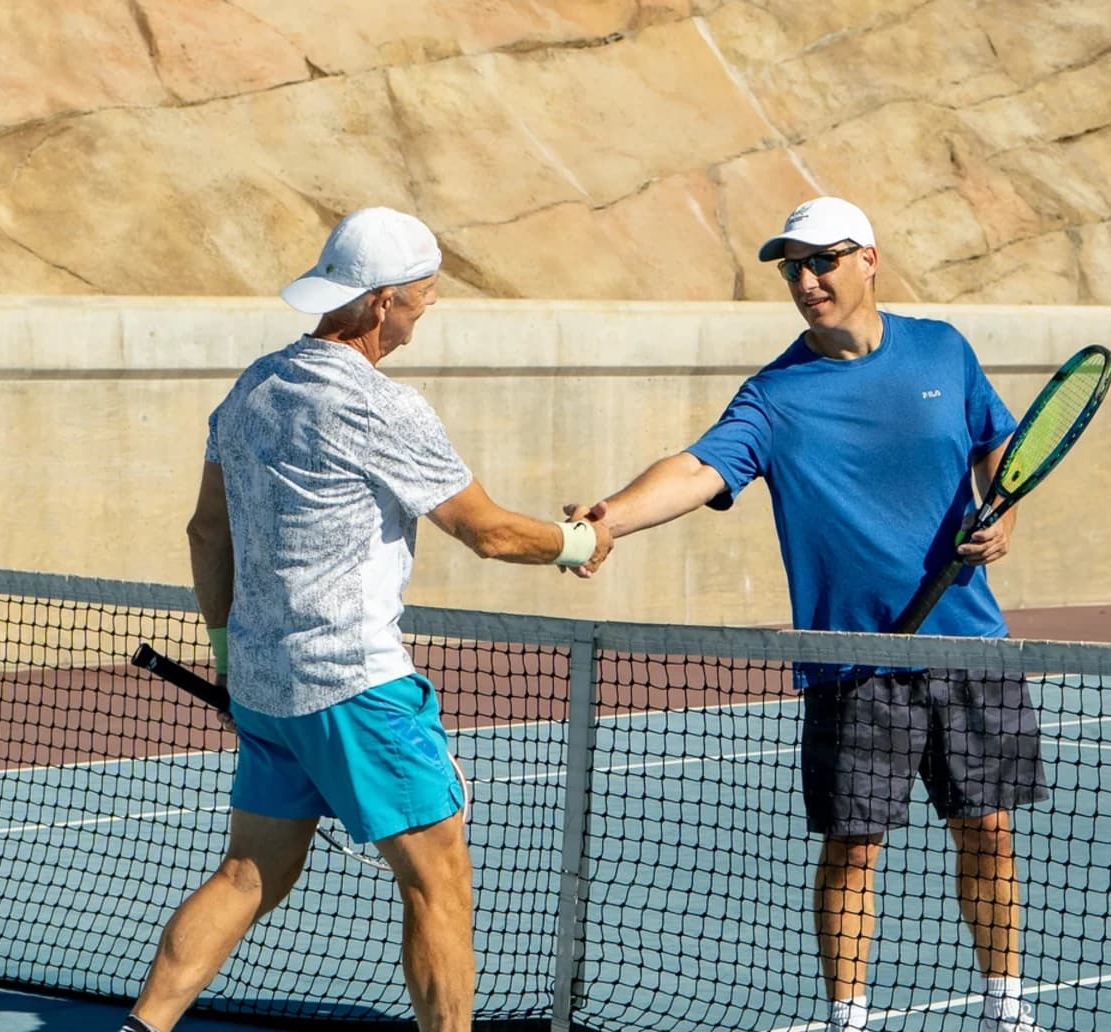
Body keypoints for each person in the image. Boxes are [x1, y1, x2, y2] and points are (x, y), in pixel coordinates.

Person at [120, 206, 612, 1032]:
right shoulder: (383, 406)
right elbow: (485, 531)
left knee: (249, 873)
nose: (427, 309)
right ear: (384, 303)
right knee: (438, 880)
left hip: (268, 687)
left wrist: (226, 651)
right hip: (358, 689)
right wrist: (578, 540)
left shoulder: (253, 388)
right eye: (423, 295)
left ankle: (144, 1027)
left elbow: (207, 530)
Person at [563, 197, 1049, 1032]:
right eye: (793, 267)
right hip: (851, 659)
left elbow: (997, 443)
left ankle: (1007, 1010)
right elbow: (695, 469)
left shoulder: (943, 348)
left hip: (970, 645)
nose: (807, 280)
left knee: (989, 832)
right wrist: (605, 518)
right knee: (854, 848)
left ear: (868, 259)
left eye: (822, 261)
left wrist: (1006, 509)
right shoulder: (776, 395)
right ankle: (848, 1019)